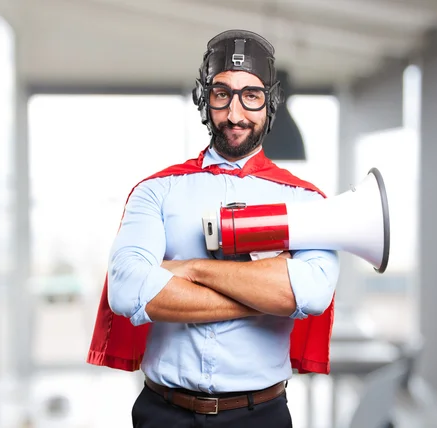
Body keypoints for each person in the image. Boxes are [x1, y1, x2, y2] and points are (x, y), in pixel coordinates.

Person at [88, 29, 340, 428]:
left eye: (251, 96)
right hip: (163, 413)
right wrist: (267, 294)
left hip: (261, 416)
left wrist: (189, 268)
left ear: (270, 102)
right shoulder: (156, 191)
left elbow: (311, 293)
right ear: (204, 99)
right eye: (223, 94)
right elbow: (127, 289)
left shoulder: (307, 202)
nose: (236, 115)